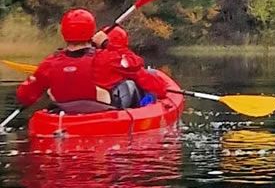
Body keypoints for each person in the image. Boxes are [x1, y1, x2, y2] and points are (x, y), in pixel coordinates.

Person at [16, 9, 167, 112]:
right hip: (103, 114)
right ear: (91, 31)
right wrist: (107, 44)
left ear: (63, 32)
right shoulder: (105, 58)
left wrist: (43, 87)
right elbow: (135, 63)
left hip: (66, 115)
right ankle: (142, 109)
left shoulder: (50, 63)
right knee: (129, 84)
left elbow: (24, 95)